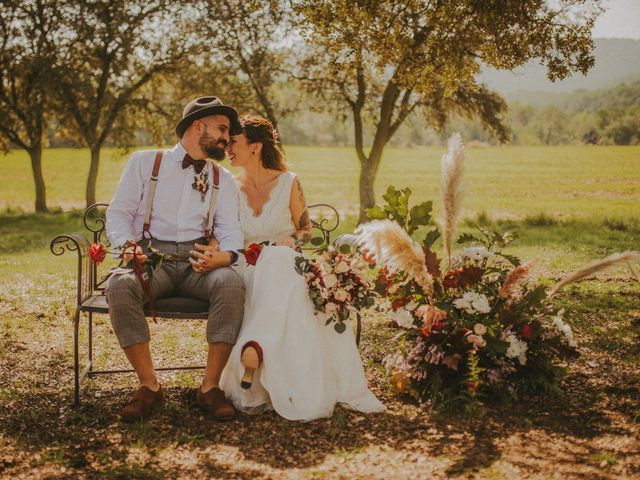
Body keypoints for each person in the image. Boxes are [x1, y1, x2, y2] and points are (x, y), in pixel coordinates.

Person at [219, 115, 384, 421]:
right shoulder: (227, 186)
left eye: (233, 142)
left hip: (283, 263)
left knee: (279, 259)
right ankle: (259, 347)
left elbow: (305, 230)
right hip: (244, 267)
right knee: (274, 265)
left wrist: (290, 238)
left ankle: (255, 348)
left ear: (254, 147)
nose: (227, 147)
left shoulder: (288, 182)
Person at [105, 96, 245, 422]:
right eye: (222, 129)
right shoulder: (144, 163)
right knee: (120, 284)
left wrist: (223, 257)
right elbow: (119, 213)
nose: (227, 138)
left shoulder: (222, 178)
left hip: (199, 263)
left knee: (231, 283)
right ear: (198, 126)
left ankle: (210, 388)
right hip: (153, 259)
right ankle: (149, 387)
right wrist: (127, 246)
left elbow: (229, 229)